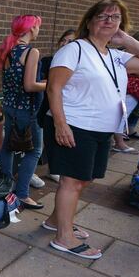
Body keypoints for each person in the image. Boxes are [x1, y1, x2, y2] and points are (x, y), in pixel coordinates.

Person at [44, 0, 139, 259]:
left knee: (84, 178)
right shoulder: (75, 49)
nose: (108, 20)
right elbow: (53, 88)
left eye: (115, 17)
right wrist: (61, 123)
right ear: (89, 22)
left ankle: (56, 221)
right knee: (72, 180)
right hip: (75, 125)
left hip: (102, 129)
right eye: (102, 16)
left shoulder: (116, 55)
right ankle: (64, 237)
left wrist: (125, 39)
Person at [0, 15, 46, 209]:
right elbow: (30, 86)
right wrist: (49, 84)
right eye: (38, 26)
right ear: (31, 29)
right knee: (34, 151)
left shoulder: (8, 51)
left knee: (8, 147)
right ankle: (22, 193)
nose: (39, 30)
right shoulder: (32, 52)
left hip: (10, 107)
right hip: (27, 110)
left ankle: (5, 187)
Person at [39, 29, 77, 183]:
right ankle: (30, 173)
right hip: (45, 104)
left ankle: (52, 169)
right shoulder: (48, 60)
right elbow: (40, 81)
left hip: (66, 106)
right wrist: (56, 83)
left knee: (58, 140)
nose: (65, 44)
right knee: (40, 141)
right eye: (64, 40)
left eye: (70, 42)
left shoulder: (77, 63)